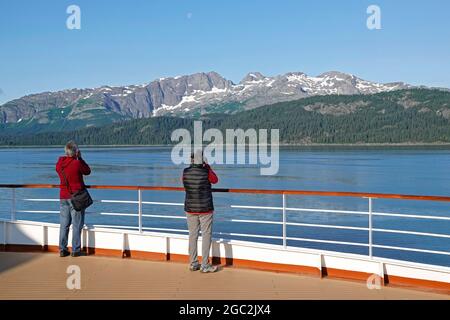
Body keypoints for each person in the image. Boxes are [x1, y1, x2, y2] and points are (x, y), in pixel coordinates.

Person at [182, 150, 219, 273]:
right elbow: (215, 180)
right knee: (206, 235)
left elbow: (185, 184)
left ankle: (193, 263)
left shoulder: (185, 172)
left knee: (193, 235)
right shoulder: (206, 171)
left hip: (190, 208)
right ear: (202, 159)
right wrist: (207, 166)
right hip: (205, 209)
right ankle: (205, 265)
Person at [56, 141, 91, 257]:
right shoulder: (77, 163)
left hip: (63, 197)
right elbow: (87, 171)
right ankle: (75, 250)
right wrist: (80, 158)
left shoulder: (59, 164)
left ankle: (62, 249)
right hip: (76, 198)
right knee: (77, 224)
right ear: (76, 152)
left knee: (64, 224)